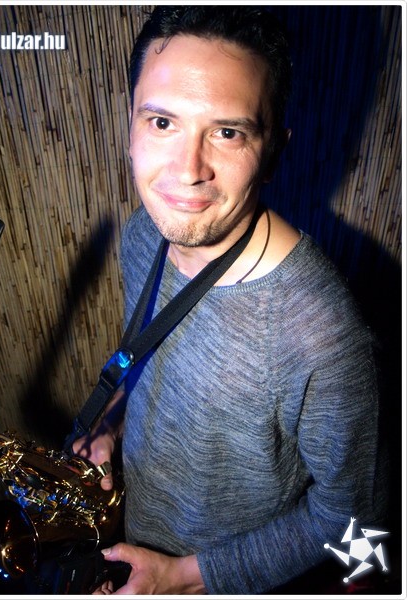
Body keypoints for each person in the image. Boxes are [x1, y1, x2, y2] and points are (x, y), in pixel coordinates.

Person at [73, 6, 387, 595]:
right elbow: (148, 353)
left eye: (227, 132)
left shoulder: (323, 334)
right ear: (131, 125)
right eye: (162, 122)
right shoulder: (143, 233)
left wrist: (184, 578)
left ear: (273, 152)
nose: (187, 172)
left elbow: (351, 519)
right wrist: (111, 424)